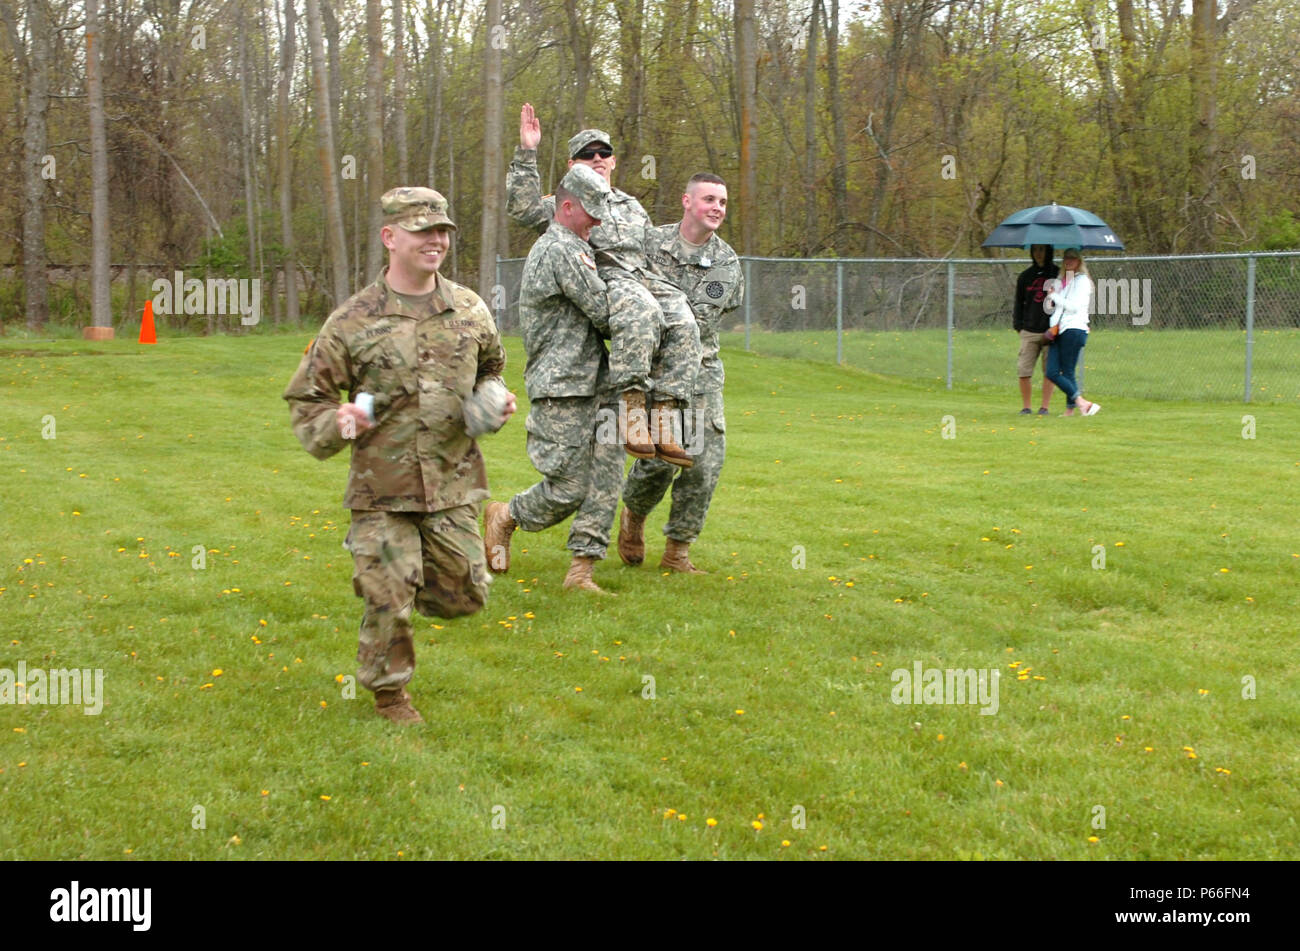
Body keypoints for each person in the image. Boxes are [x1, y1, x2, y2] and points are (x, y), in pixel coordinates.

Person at [283, 187, 515, 724]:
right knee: (389, 591)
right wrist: (335, 423)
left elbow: (492, 368)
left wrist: (493, 402)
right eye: (422, 230)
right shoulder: (352, 320)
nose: (435, 240)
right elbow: (308, 398)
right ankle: (390, 694)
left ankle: (421, 578)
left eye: (442, 232)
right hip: (381, 487)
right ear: (390, 238)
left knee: (466, 596)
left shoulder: (470, 309)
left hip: (453, 482)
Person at [507, 103, 700, 468]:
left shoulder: (630, 205)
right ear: (571, 165)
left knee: (685, 322)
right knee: (639, 309)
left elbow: (653, 253)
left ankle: (663, 417)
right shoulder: (562, 205)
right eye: (586, 154)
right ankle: (631, 408)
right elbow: (521, 208)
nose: (597, 158)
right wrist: (527, 152)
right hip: (607, 276)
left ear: (613, 161)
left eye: (604, 153)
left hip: (644, 277)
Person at [482, 164, 623, 594]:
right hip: (561, 385)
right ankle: (506, 515)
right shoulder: (560, 249)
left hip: (598, 379)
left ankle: (581, 571)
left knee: (607, 478)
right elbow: (604, 312)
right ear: (566, 207)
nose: (598, 221)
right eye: (591, 212)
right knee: (570, 485)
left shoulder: (580, 244)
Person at [618, 173, 744, 574]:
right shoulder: (650, 242)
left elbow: (699, 318)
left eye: (723, 202)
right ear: (687, 201)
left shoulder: (725, 262)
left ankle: (677, 553)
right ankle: (634, 516)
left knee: (704, 463)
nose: (717, 209)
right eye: (709, 199)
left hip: (701, 371)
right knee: (658, 461)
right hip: (652, 367)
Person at [1043, 248, 1101, 417]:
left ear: (1079, 262)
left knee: (1063, 371)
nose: (1069, 261)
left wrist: (1054, 296)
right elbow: (1058, 308)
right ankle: (1077, 406)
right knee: (1053, 371)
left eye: (1073, 259)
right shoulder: (1065, 280)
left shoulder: (1082, 281)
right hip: (1059, 330)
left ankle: (1079, 405)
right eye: (1066, 258)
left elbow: (1073, 307)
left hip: (1074, 329)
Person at [1013, 244, 1058, 415]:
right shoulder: (1025, 277)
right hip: (1029, 331)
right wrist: (1019, 326)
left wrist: (1058, 327)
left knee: (1050, 371)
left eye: (1042, 250)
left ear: (1049, 251)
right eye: (1036, 250)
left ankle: (1044, 407)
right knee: (1024, 370)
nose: (1039, 254)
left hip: (1050, 331)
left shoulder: (1058, 275)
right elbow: (1018, 303)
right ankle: (1026, 407)